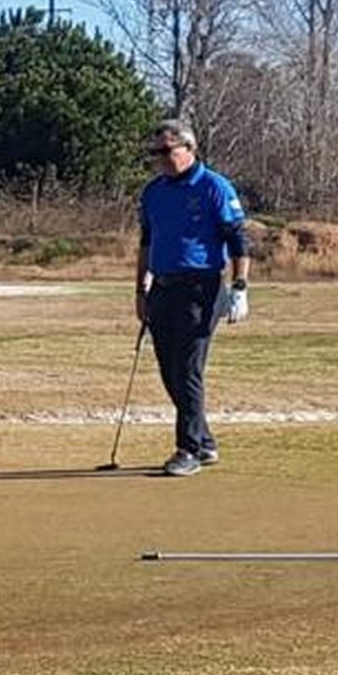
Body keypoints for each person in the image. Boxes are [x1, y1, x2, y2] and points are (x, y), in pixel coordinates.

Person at [135, 119, 251, 478]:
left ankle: (188, 449)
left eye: (166, 151)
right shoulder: (153, 192)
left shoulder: (214, 186)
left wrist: (240, 287)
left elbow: (237, 239)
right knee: (169, 371)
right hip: (162, 288)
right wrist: (140, 290)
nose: (160, 158)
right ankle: (204, 441)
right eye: (155, 152)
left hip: (201, 288)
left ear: (189, 148)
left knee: (187, 369)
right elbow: (147, 242)